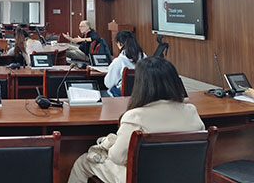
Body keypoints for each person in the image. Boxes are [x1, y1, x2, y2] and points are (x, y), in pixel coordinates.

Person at [68, 57, 205, 183]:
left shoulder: (135, 117)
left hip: (141, 177)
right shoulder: (191, 111)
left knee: (83, 162)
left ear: (141, 85)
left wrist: (109, 143)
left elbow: (117, 157)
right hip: (184, 176)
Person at [105, 31, 146, 97]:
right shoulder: (144, 57)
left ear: (120, 44)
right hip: (142, 94)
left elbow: (108, 83)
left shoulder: (119, 61)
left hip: (124, 96)